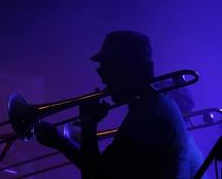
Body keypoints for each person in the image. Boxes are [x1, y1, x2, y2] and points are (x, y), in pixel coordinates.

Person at [35, 31, 191, 178]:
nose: (103, 80)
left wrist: (89, 125)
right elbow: (103, 168)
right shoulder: (151, 106)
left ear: (126, 70)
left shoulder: (151, 116)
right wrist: (61, 143)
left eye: (106, 71)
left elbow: (96, 176)